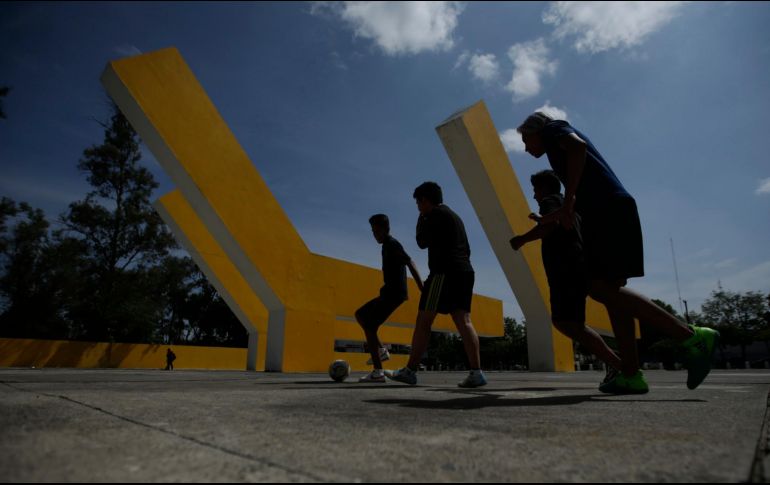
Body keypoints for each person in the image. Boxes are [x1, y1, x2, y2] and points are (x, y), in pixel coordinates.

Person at [516, 112, 719, 393]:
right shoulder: (553, 145)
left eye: (526, 140)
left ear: (536, 130)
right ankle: (631, 374)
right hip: (608, 209)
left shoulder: (554, 130)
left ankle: (691, 336)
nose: (526, 147)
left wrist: (569, 200)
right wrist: (563, 210)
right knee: (612, 294)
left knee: (599, 289)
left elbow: (577, 147)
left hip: (606, 210)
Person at [510, 170, 623, 379]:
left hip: (565, 270)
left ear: (544, 188)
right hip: (575, 267)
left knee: (566, 322)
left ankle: (617, 363)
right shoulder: (569, 205)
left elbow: (551, 225)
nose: (534, 195)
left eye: (535, 190)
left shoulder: (551, 201)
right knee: (572, 323)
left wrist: (522, 239)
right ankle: (615, 361)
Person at [386, 182, 487, 388]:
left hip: (443, 274)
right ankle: (476, 373)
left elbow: (421, 242)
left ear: (425, 200)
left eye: (418, 203)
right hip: (465, 271)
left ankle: (410, 371)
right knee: (464, 321)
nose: (417, 207)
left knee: (424, 320)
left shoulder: (434, 216)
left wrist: (420, 218)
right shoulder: (455, 216)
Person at [355, 214, 424, 383]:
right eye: (373, 232)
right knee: (360, 314)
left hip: (395, 294)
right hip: (387, 292)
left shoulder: (392, 244)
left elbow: (410, 262)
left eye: (378, 231)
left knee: (370, 326)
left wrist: (422, 287)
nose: (375, 235)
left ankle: (378, 371)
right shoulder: (385, 246)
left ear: (386, 229)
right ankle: (381, 351)